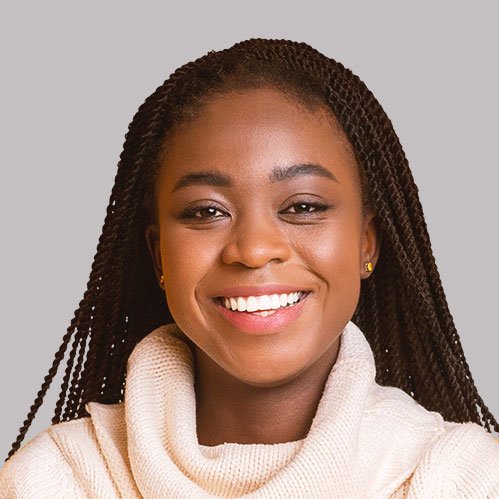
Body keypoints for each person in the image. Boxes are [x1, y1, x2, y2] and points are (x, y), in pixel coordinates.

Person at [1, 38, 498, 498]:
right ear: (159, 256)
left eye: (303, 206)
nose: (255, 250)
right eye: (206, 211)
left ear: (366, 242)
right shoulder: (54, 481)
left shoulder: (461, 480)